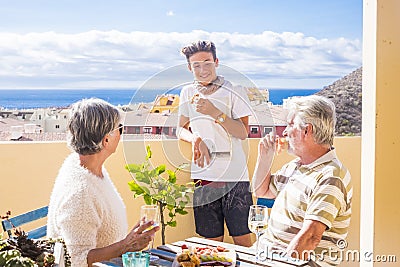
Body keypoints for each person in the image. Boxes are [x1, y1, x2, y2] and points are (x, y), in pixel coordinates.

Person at [47, 98, 159, 267]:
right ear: (106, 140)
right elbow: (76, 259)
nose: (122, 133)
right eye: (119, 128)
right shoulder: (80, 193)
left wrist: (131, 242)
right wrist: (126, 245)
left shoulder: (86, 168)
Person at [252, 95, 352, 266]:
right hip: (267, 255)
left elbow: (310, 238)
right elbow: (261, 191)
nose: (284, 132)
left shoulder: (330, 177)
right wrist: (264, 158)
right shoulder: (296, 166)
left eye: (290, 124)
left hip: (293, 262)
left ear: (307, 130)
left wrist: (279, 264)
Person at [177, 40, 253, 247]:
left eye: (207, 62)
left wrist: (214, 112)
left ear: (216, 62)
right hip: (203, 176)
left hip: (235, 177)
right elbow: (179, 129)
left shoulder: (234, 90)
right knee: (210, 244)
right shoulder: (186, 93)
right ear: (189, 67)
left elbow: (243, 132)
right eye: (196, 65)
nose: (203, 70)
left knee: (243, 240)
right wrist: (195, 139)